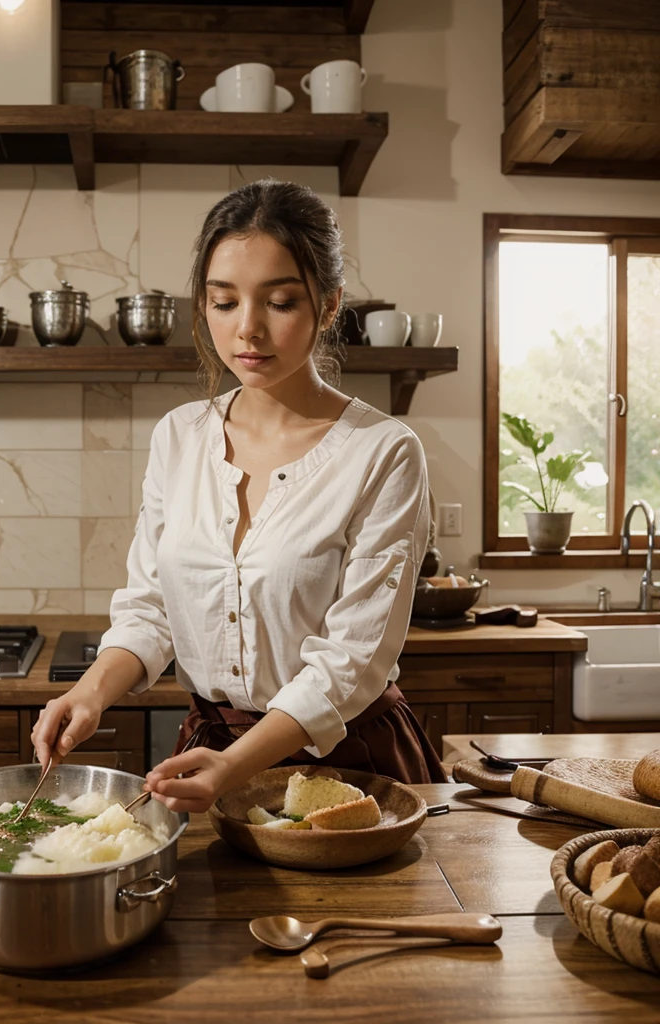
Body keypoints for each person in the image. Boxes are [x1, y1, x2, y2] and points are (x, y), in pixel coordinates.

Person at [32, 179, 447, 814]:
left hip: (349, 767)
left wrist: (233, 765)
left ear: (329, 305)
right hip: (211, 757)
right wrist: (89, 693)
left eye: (279, 302)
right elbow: (151, 609)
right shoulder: (180, 436)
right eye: (223, 302)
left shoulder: (383, 451)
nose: (247, 330)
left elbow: (354, 661)